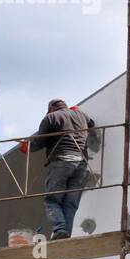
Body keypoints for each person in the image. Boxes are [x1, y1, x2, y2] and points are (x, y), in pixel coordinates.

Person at [22, 98, 95, 240]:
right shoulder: (81, 114)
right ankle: (64, 234)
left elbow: (39, 142)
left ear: (50, 109)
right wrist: (77, 112)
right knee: (71, 203)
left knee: (52, 200)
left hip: (61, 161)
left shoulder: (50, 118)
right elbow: (91, 123)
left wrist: (26, 146)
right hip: (82, 164)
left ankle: (60, 229)